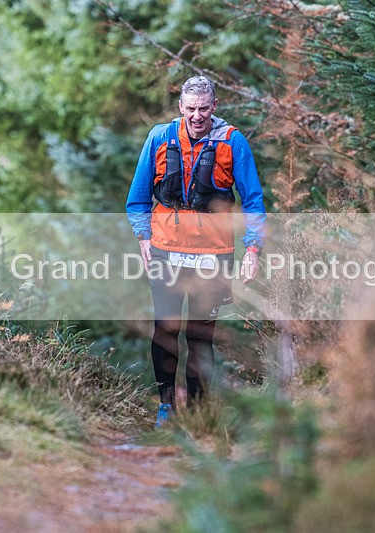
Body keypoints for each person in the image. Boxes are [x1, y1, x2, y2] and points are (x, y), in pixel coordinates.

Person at [126, 75, 266, 427]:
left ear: (214, 106)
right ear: (181, 107)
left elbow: (253, 200)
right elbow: (137, 198)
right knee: (165, 329)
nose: (197, 115)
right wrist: (143, 238)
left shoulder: (232, 141)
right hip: (165, 248)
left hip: (213, 253)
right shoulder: (160, 137)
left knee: (200, 336)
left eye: (203, 108)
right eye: (190, 108)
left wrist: (252, 250)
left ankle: (199, 414)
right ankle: (166, 407)